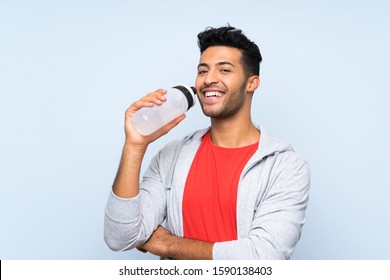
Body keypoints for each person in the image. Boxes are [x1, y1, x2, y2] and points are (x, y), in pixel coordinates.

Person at [104, 25, 310, 260]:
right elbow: (120, 237)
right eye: (203, 71)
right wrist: (135, 146)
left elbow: (263, 256)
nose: (209, 79)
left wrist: (169, 244)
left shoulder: (285, 167)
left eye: (224, 70)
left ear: (251, 83)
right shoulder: (171, 157)